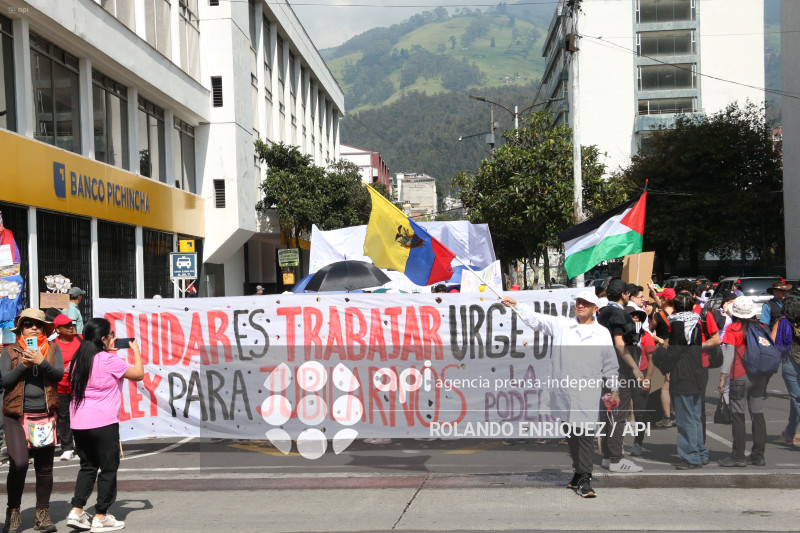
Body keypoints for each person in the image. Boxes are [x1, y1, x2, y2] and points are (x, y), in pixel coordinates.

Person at [501, 290, 618, 498]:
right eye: (579, 302)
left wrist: (614, 388)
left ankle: (585, 478)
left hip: (587, 392)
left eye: (585, 303)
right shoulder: (563, 325)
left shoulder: (602, 333)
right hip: (563, 390)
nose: (580, 305)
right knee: (571, 434)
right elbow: (537, 320)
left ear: (595, 308)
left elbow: (609, 364)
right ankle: (577, 472)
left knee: (584, 435)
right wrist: (516, 304)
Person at [66, 318, 143, 532]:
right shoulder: (108, 360)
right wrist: (135, 350)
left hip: (79, 422)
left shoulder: (78, 359)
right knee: (108, 468)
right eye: (110, 335)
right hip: (103, 422)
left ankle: (77, 510)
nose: (113, 338)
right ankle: (101, 516)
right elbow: (138, 374)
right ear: (103, 339)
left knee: (87, 466)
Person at [0, 309, 64, 533]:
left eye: (38, 324)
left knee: (44, 467)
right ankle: (13, 512)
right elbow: (5, 381)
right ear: (21, 329)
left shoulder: (53, 348)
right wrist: (25, 365)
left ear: (44, 328)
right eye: (28, 324)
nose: (33, 327)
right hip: (16, 414)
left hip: (44, 415)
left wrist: (41, 361)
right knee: (18, 464)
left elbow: (59, 375)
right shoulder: (10, 351)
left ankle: (42, 515)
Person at [656, 293, 711, 469]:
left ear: (676, 306)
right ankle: (700, 452)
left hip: (683, 373)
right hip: (697, 371)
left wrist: (664, 365)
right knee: (695, 417)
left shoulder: (678, 324)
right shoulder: (696, 320)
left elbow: (674, 351)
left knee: (686, 418)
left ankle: (690, 457)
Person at [597, 279, 644, 473]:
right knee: (618, 414)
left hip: (604, 370)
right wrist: (635, 368)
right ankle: (616, 458)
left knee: (608, 413)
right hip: (619, 371)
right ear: (624, 294)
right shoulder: (617, 314)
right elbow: (619, 343)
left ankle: (609, 456)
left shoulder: (603, 313)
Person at [717, 296, 768, 467]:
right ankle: (758, 455)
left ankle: (738, 455)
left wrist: (722, 377)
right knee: (758, 414)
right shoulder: (760, 328)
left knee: (738, 415)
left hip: (739, 376)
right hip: (759, 376)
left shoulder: (733, 328)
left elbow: (729, 355)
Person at [625, 305, 655, 457]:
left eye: (637, 317)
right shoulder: (620, 336)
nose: (634, 319)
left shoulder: (646, 336)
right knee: (616, 412)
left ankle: (638, 442)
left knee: (640, 412)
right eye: (631, 317)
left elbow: (652, 359)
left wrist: (647, 379)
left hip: (641, 375)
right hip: (623, 376)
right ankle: (613, 444)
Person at [771, 294, 800, 448]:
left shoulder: (782, 321)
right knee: (795, 400)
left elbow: (773, 341)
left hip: (790, 362)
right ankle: (789, 433)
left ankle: (789, 433)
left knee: (797, 399)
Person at [54, 314, 81, 461]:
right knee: (64, 418)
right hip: (61, 387)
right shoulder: (53, 345)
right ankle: (67, 447)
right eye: (66, 325)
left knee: (81, 415)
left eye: (72, 324)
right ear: (57, 329)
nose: (71, 327)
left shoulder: (80, 339)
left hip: (80, 386)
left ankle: (83, 446)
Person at [650, 287, 675, 427]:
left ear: (665, 299)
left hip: (663, 350)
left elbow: (649, 331)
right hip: (677, 349)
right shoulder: (679, 313)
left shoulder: (658, 315)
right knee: (674, 384)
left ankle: (667, 417)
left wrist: (657, 338)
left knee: (665, 384)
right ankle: (675, 413)